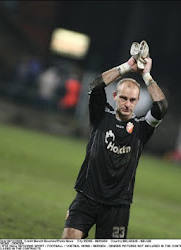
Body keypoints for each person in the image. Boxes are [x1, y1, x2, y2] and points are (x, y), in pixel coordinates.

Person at [62, 53, 168, 239]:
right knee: (69, 238)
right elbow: (96, 86)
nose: (127, 104)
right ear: (115, 96)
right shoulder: (101, 115)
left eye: (132, 100)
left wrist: (146, 75)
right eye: (123, 98)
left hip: (117, 206)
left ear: (137, 101)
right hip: (87, 197)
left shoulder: (142, 128)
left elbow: (161, 106)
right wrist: (127, 66)